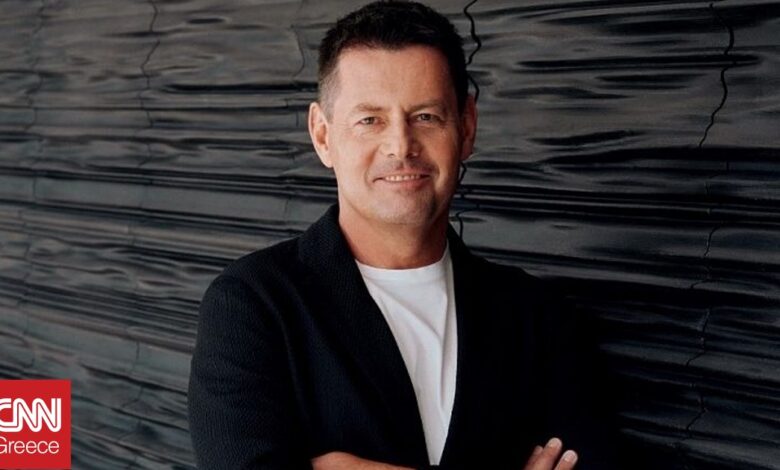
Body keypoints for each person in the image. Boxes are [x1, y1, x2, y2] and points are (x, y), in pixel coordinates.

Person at [188, 2, 618, 469]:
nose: (401, 146)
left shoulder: (537, 317)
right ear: (322, 135)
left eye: (426, 116)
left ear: (467, 127)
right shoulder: (253, 305)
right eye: (369, 119)